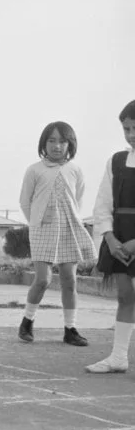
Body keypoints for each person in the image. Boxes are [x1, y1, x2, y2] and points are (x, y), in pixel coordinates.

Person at [17, 121, 96, 345]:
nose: (57, 146)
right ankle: (27, 321)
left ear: (70, 144)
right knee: (43, 279)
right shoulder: (34, 170)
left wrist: (69, 218)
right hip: (42, 228)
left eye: (62, 141)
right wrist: (36, 224)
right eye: (51, 140)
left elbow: (78, 199)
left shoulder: (75, 170)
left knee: (69, 280)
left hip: (69, 228)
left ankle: (70, 329)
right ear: (44, 143)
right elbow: (25, 201)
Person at [86, 100, 135, 373]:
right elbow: (103, 203)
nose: (131, 135)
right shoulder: (116, 161)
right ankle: (118, 357)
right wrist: (111, 238)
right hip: (120, 239)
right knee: (126, 297)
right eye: (126, 129)